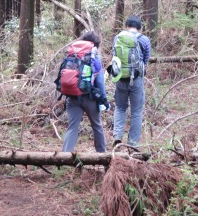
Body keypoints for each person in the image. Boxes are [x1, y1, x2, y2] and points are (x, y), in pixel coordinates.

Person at [62, 31, 109, 153]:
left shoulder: (72, 53)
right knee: (97, 126)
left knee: (72, 128)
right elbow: (99, 81)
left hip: (72, 96)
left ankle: (64, 157)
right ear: (94, 44)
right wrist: (104, 99)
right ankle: (102, 156)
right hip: (89, 97)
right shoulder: (93, 57)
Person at [112, 15, 151, 148]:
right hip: (137, 78)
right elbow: (145, 60)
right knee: (136, 111)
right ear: (139, 27)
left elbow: (114, 56)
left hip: (120, 78)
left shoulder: (118, 38)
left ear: (126, 25)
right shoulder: (144, 39)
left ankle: (117, 136)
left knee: (120, 107)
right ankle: (133, 143)